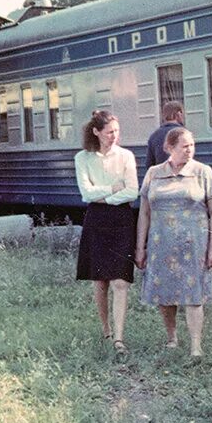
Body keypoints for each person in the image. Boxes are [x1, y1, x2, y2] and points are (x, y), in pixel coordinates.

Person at [134, 127, 212, 358]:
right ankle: (172, 338)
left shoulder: (203, 172)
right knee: (165, 293)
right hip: (160, 244)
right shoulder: (153, 173)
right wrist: (139, 247)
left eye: (192, 145)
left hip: (194, 245)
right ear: (169, 148)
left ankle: (195, 346)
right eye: (184, 146)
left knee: (193, 294)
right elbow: (144, 213)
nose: (190, 150)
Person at [74, 110, 139, 354]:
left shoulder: (126, 156)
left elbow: (133, 191)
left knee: (121, 280)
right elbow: (86, 194)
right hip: (96, 220)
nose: (114, 136)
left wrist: (106, 198)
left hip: (122, 219)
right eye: (110, 132)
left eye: (117, 131)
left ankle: (119, 338)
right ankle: (106, 330)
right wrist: (114, 187)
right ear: (96, 132)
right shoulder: (82, 158)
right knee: (100, 281)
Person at [145, 101, 185, 169]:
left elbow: (149, 164)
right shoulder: (184, 133)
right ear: (179, 114)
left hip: (161, 176)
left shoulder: (154, 135)